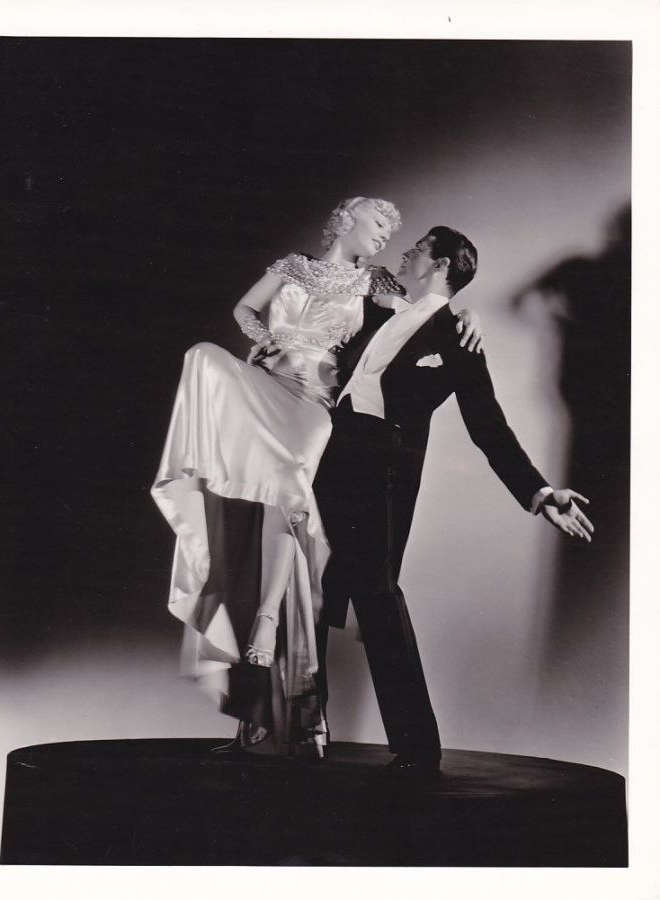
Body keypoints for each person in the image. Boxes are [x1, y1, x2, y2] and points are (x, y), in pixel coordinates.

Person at [151, 198, 483, 756]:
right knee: (203, 357)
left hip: (315, 401)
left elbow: (427, 313)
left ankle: (265, 624)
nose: (386, 237)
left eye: (394, 231)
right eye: (379, 223)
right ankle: (260, 695)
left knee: (288, 485)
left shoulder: (376, 282)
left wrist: (470, 314)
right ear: (347, 218)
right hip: (267, 380)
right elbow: (243, 309)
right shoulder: (292, 265)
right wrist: (263, 336)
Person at [313, 225, 594, 771]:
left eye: (419, 248)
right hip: (328, 455)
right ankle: (304, 729)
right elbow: (327, 300)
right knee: (310, 586)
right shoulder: (379, 310)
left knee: (375, 593)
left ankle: (417, 747)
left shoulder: (456, 337)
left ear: (440, 264)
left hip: (379, 470)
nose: (406, 251)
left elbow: (488, 425)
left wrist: (539, 492)